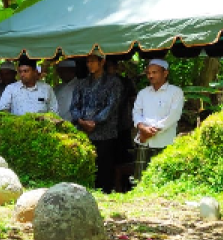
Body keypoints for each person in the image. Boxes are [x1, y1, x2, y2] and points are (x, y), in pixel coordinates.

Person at [70, 52, 122, 193]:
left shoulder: (113, 82)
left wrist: (95, 122)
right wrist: (80, 120)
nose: (90, 64)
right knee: (85, 164)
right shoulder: (82, 83)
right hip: (84, 131)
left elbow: (111, 106)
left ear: (102, 62)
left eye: (93, 61)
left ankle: (105, 193)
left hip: (105, 132)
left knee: (104, 167)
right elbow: (74, 106)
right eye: (88, 61)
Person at [131, 59, 185, 184]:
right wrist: (141, 127)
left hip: (164, 141)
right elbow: (136, 112)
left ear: (165, 73)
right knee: (139, 178)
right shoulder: (143, 93)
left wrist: (151, 130)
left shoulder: (175, 92)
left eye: (154, 72)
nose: (150, 75)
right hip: (144, 141)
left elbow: (174, 115)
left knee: (162, 179)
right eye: (149, 73)